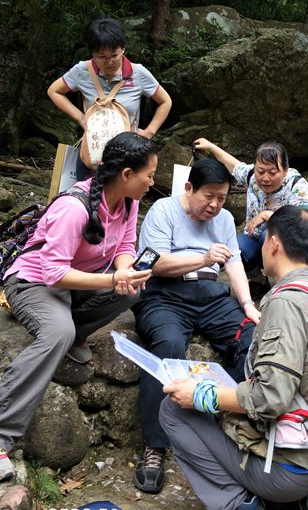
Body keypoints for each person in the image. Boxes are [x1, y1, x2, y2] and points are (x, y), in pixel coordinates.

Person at [0, 132, 159, 483]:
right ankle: (1, 435)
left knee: (131, 292)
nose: (152, 182)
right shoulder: (73, 208)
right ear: (127, 174)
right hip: (34, 283)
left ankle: (75, 333)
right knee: (59, 332)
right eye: (149, 175)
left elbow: (126, 246)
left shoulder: (128, 202)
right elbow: (54, 273)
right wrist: (112, 279)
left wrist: (125, 272)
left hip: (76, 284)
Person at [159, 206, 308, 510]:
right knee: (222, 404)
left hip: (289, 466)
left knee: (173, 409)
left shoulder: (286, 303)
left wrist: (204, 395)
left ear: (274, 243)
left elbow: (270, 398)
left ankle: (241, 503)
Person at [132, 157, 260, 495]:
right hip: (165, 294)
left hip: (211, 295)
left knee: (250, 339)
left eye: (222, 198)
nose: (215, 205)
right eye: (209, 196)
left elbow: (233, 263)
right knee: (168, 345)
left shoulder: (225, 219)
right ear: (189, 188)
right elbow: (154, 263)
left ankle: (226, 416)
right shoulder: (163, 210)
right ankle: (155, 446)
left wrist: (248, 305)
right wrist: (203, 258)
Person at [48, 17, 172, 179]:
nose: (109, 62)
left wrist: (149, 132)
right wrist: (81, 118)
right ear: (92, 53)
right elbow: (54, 91)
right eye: (101, 56)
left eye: (114, 55)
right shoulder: (82, 71)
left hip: (128, 156)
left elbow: (165, 101)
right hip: (92, 152)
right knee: (88, 194)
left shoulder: (138, 74)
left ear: (123, 49)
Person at [193, 138, 308, 297]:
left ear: (285, 170)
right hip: (255, 240)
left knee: (269, 234)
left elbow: (304, 223)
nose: (265, 178)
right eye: (260, 171)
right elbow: (234, 166)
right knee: (236, 246)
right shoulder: (252, 176)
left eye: (272, 172)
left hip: (291, 247)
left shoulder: (297, 185)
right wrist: (210, 146)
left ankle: (285, 285)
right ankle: (259, 282)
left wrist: (268, 215)